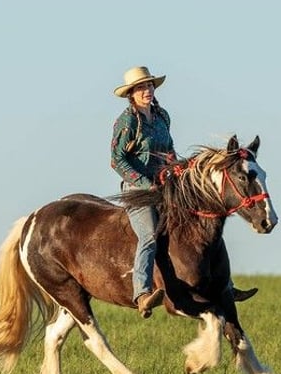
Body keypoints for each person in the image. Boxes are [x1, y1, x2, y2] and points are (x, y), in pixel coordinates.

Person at [110, 66, 258, 318]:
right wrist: (146, 183)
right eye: (141, 87)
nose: (147, 90)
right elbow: (117, 160)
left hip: (165, 185)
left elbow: (168, 148)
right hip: (139, 190)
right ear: (131, 94)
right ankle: (142, 293)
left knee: (202, 226)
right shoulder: (126, 122)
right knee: (149, 236)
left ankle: (225, 285)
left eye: (149, 86)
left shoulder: (162, 116)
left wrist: (177, 168)